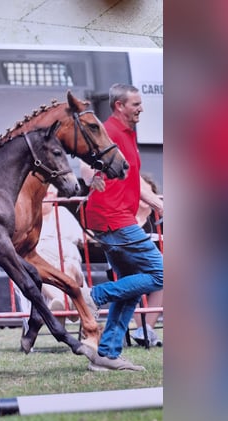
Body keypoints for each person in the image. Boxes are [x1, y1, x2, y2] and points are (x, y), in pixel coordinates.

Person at [79, 84, 164, 371]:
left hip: (116, 217)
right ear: (119, 106)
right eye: (135, 104)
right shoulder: (109, 130)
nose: (141, 108)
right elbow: (85, 164)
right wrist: (92, 178)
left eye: (141, 104)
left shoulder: (127, 133)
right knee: (161, 273)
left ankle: (107, 355)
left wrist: (158, 203)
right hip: (113, 218)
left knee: (131, 284)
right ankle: (93, 296)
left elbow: (134, 181)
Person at [35, 184, 84, 327]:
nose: (43, 198)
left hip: (68, 267)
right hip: (44, 269)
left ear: (55, 196)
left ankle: (60, 305)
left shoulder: (62, 212)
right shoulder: (29, 216)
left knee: (68, 267)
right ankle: (65, 303)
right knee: (38, 272)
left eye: (47, 194)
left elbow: (80, 239)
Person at [130, 173, 164, 347]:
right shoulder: (126, 219)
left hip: (158, 268)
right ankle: (144, 329)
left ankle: (146, 330)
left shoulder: (160, 219)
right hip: (129, 267)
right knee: (131, 276)